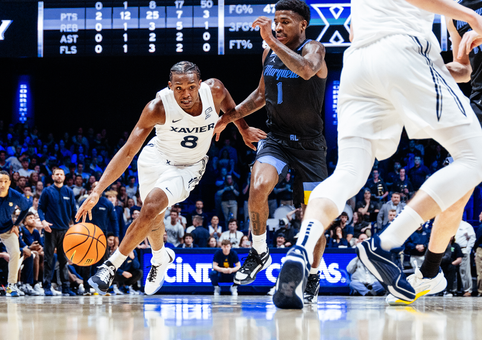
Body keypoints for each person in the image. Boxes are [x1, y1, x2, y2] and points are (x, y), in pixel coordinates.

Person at [276, 0, 482, 309]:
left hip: (360, 63)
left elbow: (462, 69)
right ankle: (384, 245)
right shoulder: (457, 11)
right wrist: (470, 18)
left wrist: (457, 47)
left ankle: (301, 248)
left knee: (348, 171)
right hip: (403, 48)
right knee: (475, 158)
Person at [75, 61, 265, 296]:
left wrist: (242, 128)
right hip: (155, 158)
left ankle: (110, 266)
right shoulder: (157, 107)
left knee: (151, 206)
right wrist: (97, 190)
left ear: (200, 84)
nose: (185, 94)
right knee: (152, 217)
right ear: (170, 86)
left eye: (191, 87)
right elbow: (127, 151)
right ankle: (159, 257)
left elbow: (231, 107)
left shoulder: (214, 90)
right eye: (179, 88)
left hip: (188, 166)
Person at [213, 0, 328, 305]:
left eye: (285, 22)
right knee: (258, 186)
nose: (278, 27)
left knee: (313, 215)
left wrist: (271, 41)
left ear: (303, 25)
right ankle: (260, 250)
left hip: (310, 146)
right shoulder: (269, 52)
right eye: (276, 21)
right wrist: (229, 117)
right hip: (276, 138)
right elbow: (262, 95)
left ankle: (314, 273)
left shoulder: (314, 50)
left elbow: (305, 71)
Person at [38, 167, 77, 296]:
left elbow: (74, 211)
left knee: (64, 260)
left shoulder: (69, 192)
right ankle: (47, 286)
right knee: (48, 259)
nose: (59, 176)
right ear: (53, 177)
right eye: (57, 174)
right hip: (50, 229)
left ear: (64, 177)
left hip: (65, 230)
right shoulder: (47, 191)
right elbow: (40, 209)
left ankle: (65, 287)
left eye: (61, 174)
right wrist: (43, 221)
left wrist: (76, 226)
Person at [455, 220, 475, 296]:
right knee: (452, 270)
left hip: (463, 250)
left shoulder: (466, 225)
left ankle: (468, 290)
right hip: (452, 249)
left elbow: (472, 238)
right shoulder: (450, 225)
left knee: (464, 271)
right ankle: (452, 290)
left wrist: (468, 249)